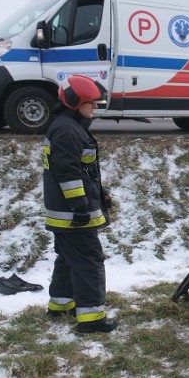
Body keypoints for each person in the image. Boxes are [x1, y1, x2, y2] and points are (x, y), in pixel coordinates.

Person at [43, 75, 117, 333]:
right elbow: (68, 173)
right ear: (76, 102)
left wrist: (101, 194)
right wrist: (81, 208)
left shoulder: (67, 125)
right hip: (71, 214)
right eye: (92, 103)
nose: (95, 108)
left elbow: (84, 171)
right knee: (89, 261)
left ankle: (61, 305)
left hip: (64, 212)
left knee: (68, 258)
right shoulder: (68, 130)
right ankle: (92, 318)